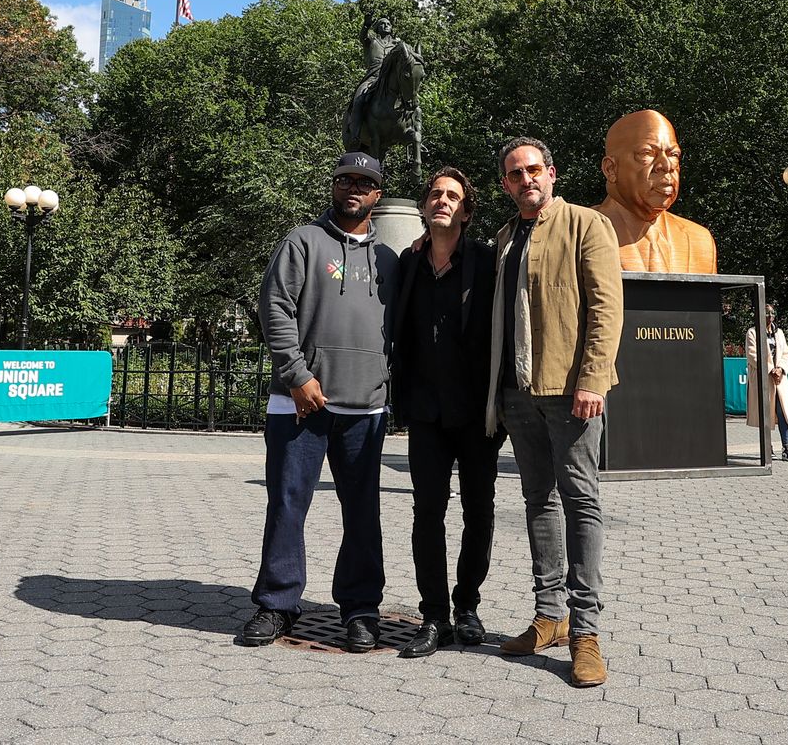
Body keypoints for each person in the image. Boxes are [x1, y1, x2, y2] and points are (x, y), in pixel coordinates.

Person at [241, 152, 397, 652]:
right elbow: (276, 308)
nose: (354, 188)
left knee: (362, 512)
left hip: (364, 408)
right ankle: (277, 604)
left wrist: (388, 385)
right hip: (301, 403)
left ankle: (360, 609)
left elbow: (398, 332)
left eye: (365, 183)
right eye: (346, 180)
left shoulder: (389, 259)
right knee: (288, 505)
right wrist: (296, 375)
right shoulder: (302, 241)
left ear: (377, 194)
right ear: (333, 186)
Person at [488, 137, 623, 688]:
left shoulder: (587, 224)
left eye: (534, 170)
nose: (526, 180)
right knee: (536, 500)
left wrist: (593, 378)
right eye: (515, 174)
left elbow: (607, 306)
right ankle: (549, 617)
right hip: (519, 392)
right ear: (505, 184)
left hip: (571, 392)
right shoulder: (504, 237)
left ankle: (586, 632)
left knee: (580, 503)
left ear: (552, 173)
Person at [387, 167, 501, 658]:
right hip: (426, 412)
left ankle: (467, 606)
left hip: (477, 412)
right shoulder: (407, 263)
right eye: (435, 194)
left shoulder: (487, 262)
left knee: (480, 512)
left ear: (466, 210)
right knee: (427, 513)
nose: (442, 201)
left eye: (453, 196)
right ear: (423, 206)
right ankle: (434, 615)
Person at [591, 109, 717, 273]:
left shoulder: (700, 240)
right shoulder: (578, 233)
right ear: (611, 169)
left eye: (673, 154)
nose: (666, 165)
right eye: (647, 153)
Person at [745, 305, 788, 461]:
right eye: (767, 314)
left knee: (783, 412)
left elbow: (785, 353)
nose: (770, 316)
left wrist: (780, 368)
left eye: (772, 313)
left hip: (779, 379)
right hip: (764, 377)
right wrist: (770, 369)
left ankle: (787, 448)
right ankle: (767, 447)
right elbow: (752, 354)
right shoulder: (752, 332)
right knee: (765, 413)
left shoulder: (779, 333)